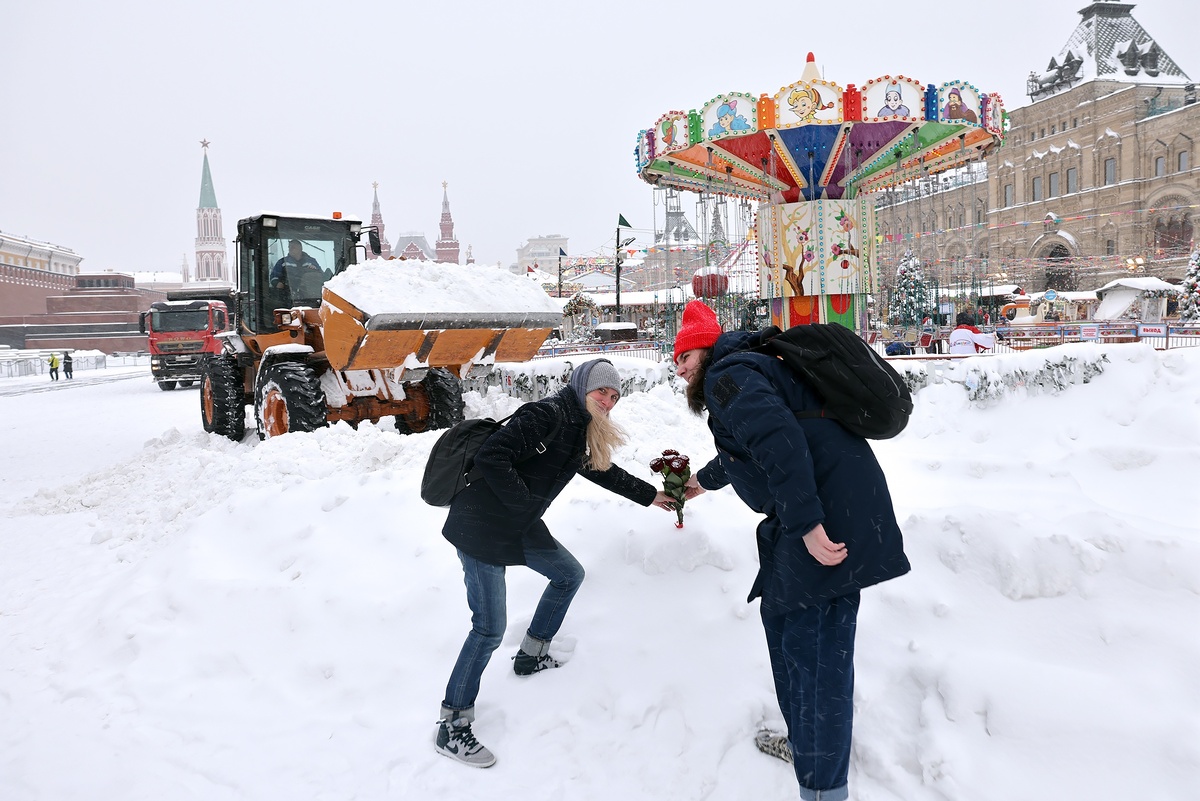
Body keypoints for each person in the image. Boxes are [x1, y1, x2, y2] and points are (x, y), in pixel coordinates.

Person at [672, 301, 910, 801]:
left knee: (816, 659)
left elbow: (778, 439)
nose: (681, 366)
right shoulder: (748, 367)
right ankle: (806, 745)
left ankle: (823, 789)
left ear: (707, 345)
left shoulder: (726, 376)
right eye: (676, 360)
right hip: (828, 509)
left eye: (685, 353)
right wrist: (704, 481)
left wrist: (806, 523)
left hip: (825, 518)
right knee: (788, 633)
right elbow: (757, 440)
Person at [435, 359, 678, 768]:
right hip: (482, 527)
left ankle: (531, 654)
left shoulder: (577, 428)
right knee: (488, 628)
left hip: (519, 524)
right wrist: (524, 504)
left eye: (615, 396)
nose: (608, 400)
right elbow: (493, 456)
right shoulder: (546, 414)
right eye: (602, 391)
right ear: (583, 386)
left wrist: (651, 495)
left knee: (568, 575)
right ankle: (452, 725)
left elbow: (601, 471)